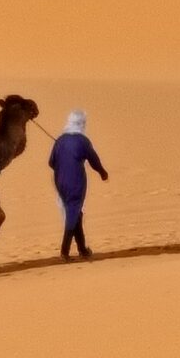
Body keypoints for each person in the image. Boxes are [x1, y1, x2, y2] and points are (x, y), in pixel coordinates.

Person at [48, 110, 108, 259]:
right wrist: (102, 172)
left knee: (76, 213)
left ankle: (82, 249)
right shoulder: (82, 141)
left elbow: (51, 162)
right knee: (73, 212)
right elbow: (94, 160)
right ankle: (64, 251)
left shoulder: (60, 140)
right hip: (75, 181)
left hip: (60, 181)